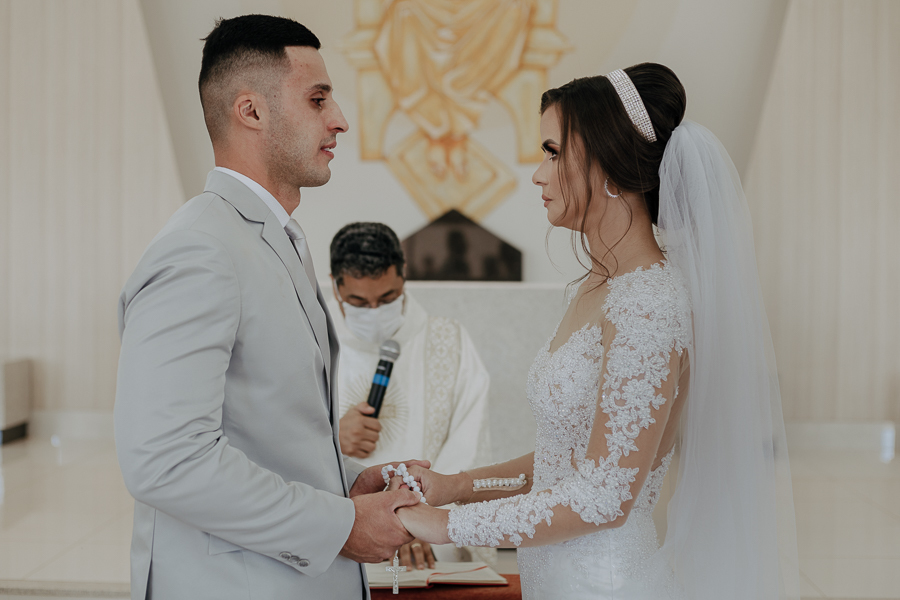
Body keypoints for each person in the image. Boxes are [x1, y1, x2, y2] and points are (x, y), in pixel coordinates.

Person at [390, 64, 800, 599]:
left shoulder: (650, 302)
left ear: (608, 164)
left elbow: (605, 494)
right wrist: (457, 487)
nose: (537, 174)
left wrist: (444, 526)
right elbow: (569, 461)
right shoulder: (594, 288)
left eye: (553, 152)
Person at [114, 15, 425, 600]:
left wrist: (349, 483)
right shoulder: (199, 249)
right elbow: (165, 458)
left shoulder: (276, 238)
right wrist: (340, 526)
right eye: (317, 99)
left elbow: (270, 434)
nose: (340, 120)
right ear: (250, 112)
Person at [327, 222, 495, 569]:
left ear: (403, 276)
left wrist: (416, 519)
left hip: (427, 540)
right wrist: (331, 438)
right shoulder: (310, 340)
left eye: (387, 299)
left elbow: (470, 441)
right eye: (358, 302)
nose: (373, 312)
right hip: (339, 534)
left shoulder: (448, 341)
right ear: (335, 284)